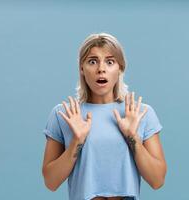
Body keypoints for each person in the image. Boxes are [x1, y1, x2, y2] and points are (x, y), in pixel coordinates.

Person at [41, 33, 166, 200]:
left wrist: (132, 137)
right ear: (82, 68)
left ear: (120, 68)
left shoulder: (140, 113)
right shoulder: (64, 114)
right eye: (92, 61)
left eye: (110, 61)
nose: (101, 68)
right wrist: (77, 141)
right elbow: (51, 182)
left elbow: (157, 180)